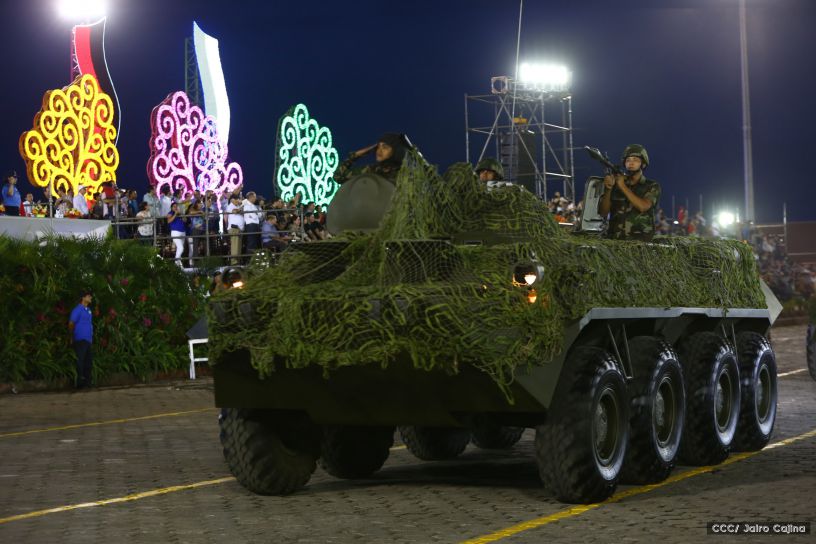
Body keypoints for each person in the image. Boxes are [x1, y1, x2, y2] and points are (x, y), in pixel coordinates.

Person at [597, 144, 661, 241]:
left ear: (643, 163)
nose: (631, 163)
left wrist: (622, 186)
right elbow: (603, 212)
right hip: (615, 241)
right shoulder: (616, 184)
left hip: (640, 243)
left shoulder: (651, 186)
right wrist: (608, 188)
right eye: (628, 160)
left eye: (635, 160)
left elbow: (643, 206)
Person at [333, 133, 411, 184]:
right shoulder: (370, 170)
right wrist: (356, 155)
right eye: (378, 146)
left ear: (396, 152)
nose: (379, 151)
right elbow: (338, 177)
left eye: (385, 147)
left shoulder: (404, 177)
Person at [68, 290, 94, 389]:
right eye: (89, 296)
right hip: (80, 339)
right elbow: (71, 323)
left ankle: (87, 382)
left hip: (88, 340)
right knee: (80, 361)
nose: (90, 297)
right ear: (83, 298)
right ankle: (80, 382)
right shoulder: (77, 309)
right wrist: (71, 336)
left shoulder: (88, 310)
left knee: (88, 361)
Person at [225, 195, 245, 264]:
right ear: (232, 200)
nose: (239, 201)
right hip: (234, 228)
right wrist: (242, 205)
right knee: (235, 245)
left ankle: (237, 261)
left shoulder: (237, 206)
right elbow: (234, 211)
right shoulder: (230, 206)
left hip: (239, 229)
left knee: (238, 246)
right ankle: (234, 262)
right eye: (237, 199)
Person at [167, 202, 187, 267]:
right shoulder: (170, 213)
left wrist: (181, 214)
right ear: (171, 208)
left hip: (183, 232)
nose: (175, 207)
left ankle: (179, 265)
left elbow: (185, 220)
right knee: (181, 248)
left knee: (179, 249)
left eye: (176, 206)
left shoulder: (180, 213)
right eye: (174, 206)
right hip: (175, 232)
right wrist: (175, 214)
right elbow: (169, 221)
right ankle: (176, 263)